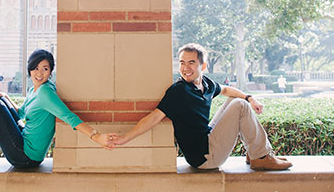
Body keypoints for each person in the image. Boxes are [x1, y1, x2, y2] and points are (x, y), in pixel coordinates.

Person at [110, 43, 291, 171]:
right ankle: (261, 156)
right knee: (240, 106)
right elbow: (154, 117)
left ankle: (256, 154)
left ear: (203, 65)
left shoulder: (206, 84)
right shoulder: (178, 92)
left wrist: (250, 98)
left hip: (208, 141)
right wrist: (125, 138)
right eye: (182, 62)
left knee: (236, 101)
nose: (185, 68)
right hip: (205, 157)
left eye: (191, 63)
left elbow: (227, 89)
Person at [0, 49, 114, 169]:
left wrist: (97, 137)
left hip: (25, 157)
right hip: (24, 145)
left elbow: (69, 117)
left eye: (45, 69)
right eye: (36, 68)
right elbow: (20, 114)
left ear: (50, 71)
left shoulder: (46, 93)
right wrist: (6, 97)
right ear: (29, 69)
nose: (39, 73)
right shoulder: (34, 90)